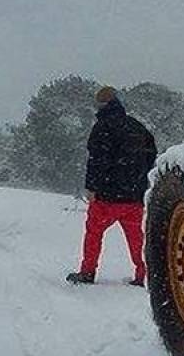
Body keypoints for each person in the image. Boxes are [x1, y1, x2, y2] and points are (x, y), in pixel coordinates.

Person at [67, 86, 157, 286]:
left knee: (94, 233)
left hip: (107, 196)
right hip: (134, 196)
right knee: (136, 238)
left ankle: (88, 272)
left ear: (101, 105)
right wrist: (140, 180)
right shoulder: (137, 127)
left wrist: (91, 187)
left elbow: (97, 159)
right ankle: (143, 274)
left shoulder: (102, 127)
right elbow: (151, 156)